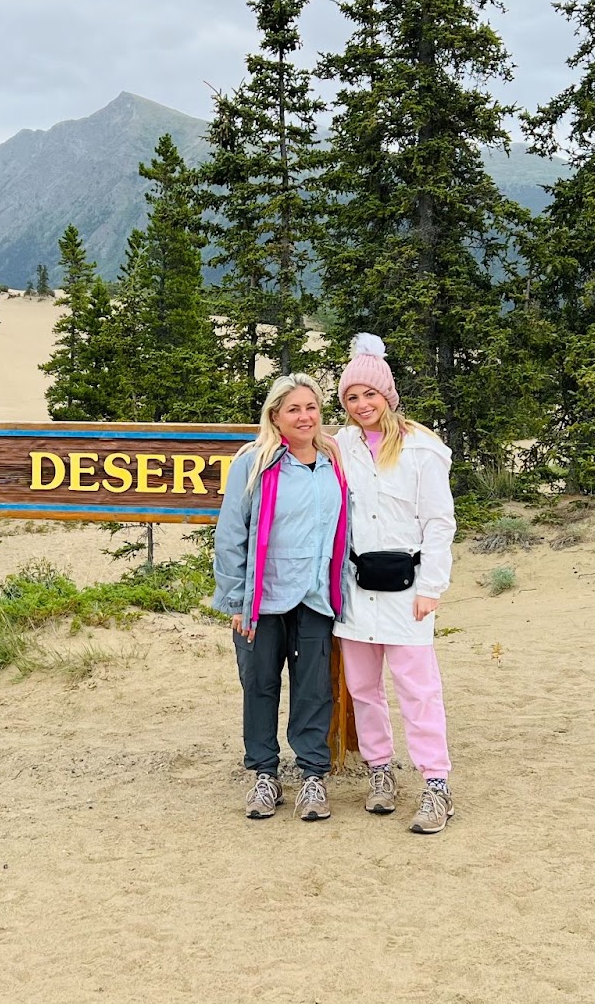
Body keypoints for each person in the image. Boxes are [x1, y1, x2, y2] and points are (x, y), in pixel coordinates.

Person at [333, 334, 458, 834]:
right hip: (356, 588)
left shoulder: (424, 450)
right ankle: (380, 771)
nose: (362, 406)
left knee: (418, 688)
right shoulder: (340, 446)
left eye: (370, 394)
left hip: (408, 588)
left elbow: (439, 523)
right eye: (351, 398)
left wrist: (432, 586)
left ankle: (436, 783)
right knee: (364, 689)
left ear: (388, 394)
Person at [213, 373, 350, 822]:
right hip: (262, 598)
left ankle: (313, 775)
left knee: (313, 689)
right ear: (275, 415)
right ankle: (265, 774)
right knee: (260, 685)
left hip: (314, 596)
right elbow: (231, 534)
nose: (304, 416)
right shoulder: (253, 463)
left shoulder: (333, 462)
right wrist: (235, 600)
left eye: (311, 408)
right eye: (293, 409)